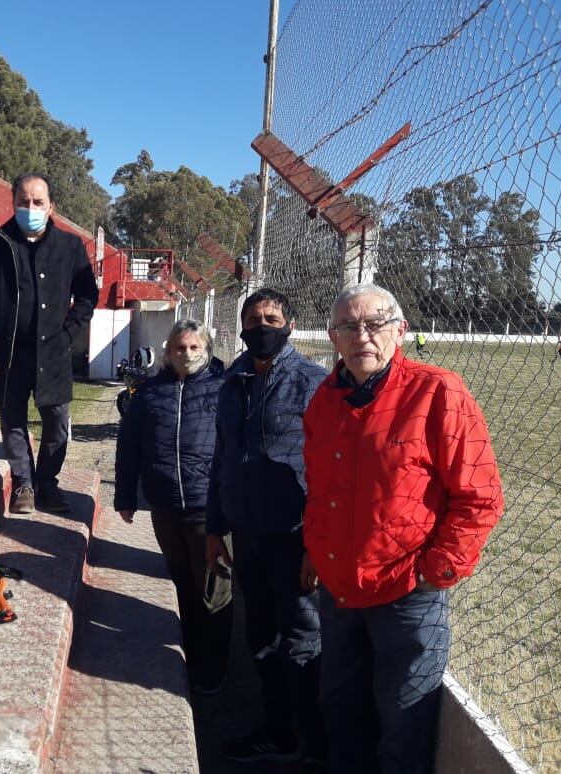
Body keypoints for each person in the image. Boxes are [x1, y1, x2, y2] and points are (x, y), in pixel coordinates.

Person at [302, 282, 504, 774]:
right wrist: (316, 549)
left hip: (407, 592)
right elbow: (320, 489)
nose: (362, 335)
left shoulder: (437, 391)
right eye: (349, 326)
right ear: (333, 336)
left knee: (403, 724)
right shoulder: (325, 400)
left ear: (400, 329)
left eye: (375, 323)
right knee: (341, 710)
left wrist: (437, 570)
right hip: (339, 590)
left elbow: (480, 495)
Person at [205, 288, 328, 765]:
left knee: (302, 638)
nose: (262, 327)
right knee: (259, 636)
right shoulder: (231, 381)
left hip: (294, 537)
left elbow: (326, 472)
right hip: (246, 536)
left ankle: (315, 746)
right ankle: (277, 732)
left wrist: (316, 544)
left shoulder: (313, 384)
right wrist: (216, 530)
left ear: (290, 325)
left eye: (272, 318)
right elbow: (221, 460)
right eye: (253, 319)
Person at [0, 173, 99, 515]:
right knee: (12, 422)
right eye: (23, 201)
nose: (31, 207)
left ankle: (48, 483)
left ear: (50, 206)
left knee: (57, 423)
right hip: (7, 355)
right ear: (13, 203)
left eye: (38, 202)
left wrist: (68, 333)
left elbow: (87, 295)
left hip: (52, 355)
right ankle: (23, 485)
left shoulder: (70, 247)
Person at [114, 320, 231, 695]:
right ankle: (190, 656)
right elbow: (128, 446)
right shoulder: (150, 393)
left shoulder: (223, 389)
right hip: (164, 507)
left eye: (195, 348)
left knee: (213, 589)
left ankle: (214, 670)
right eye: (181, 348)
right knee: (182, 581)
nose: (187, 354)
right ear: (168, 353)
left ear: (207, 350)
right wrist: (125, 496)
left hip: (207, 508)